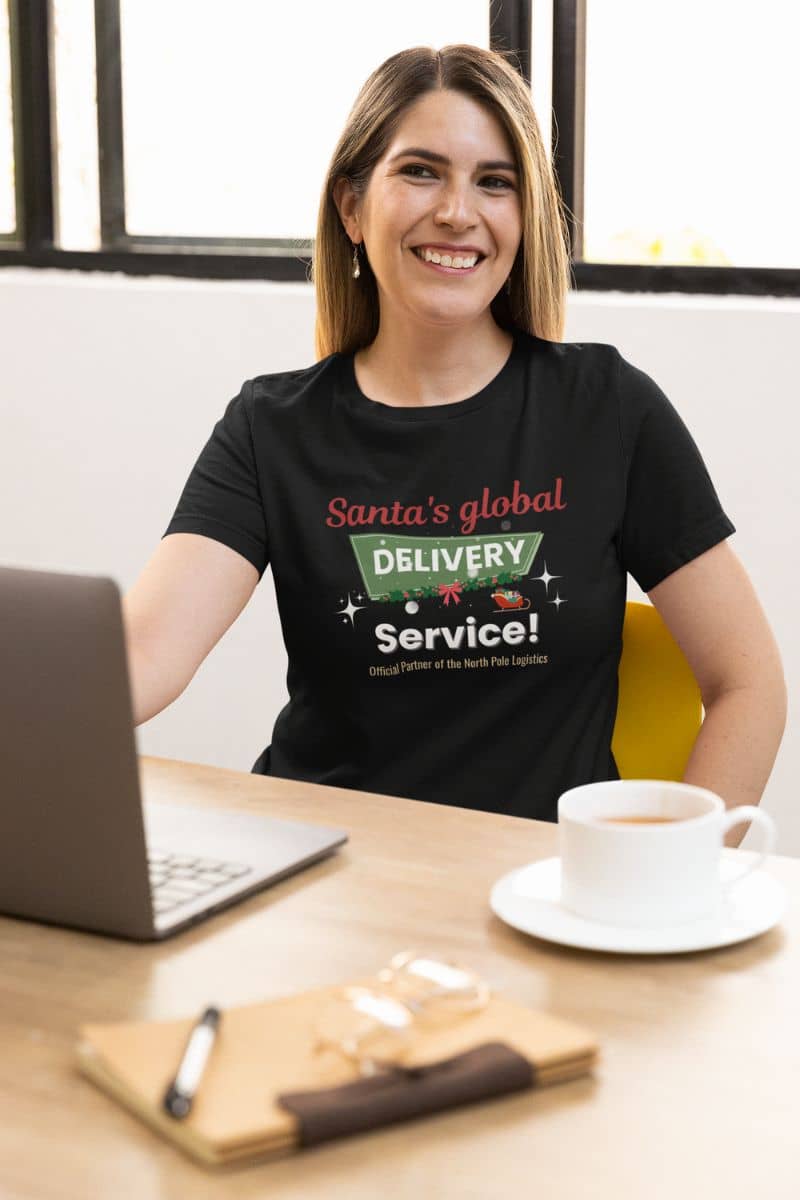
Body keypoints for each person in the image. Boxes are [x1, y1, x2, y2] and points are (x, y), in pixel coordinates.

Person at [123, 44, 786, 844]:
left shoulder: (608, 409)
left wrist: (678, 874)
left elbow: (749, 682)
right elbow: (140, 659)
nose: (458, 212)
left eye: (494, 182)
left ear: (523, 215)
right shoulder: (271, 427)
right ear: (351, 207)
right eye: (421, 172)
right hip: (323, 880)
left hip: (541, 892)